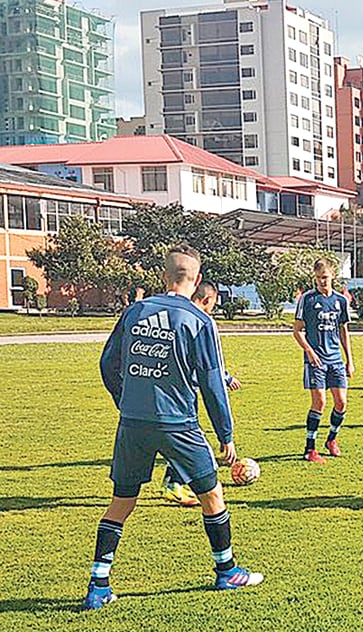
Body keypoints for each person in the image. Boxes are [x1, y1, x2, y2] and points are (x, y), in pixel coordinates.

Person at [84, 246, 262, 611]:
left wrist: (126, 400)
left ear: (164, 277)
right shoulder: (198, 320)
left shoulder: (134, 312)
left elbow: (107, 363)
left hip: (133, 422)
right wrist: (226, 435)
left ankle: (98, 585)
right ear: (196, 280)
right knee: (211, 495)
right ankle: (226, 571)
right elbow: (213, 383)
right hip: (178, 422)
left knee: (121, 503)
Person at [161, 282, 242, 507]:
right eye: (213, 304)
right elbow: (209, 366)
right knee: (191, 445)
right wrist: (226, 435)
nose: (212, 309)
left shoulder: (173, 315)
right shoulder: (200, 321)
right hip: (182, 397)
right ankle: (173, 485)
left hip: (165, 394)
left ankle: (172, 482)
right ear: (207, 300)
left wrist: (226, 378)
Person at [294, 258, 355, 461]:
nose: (322, 282)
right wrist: (309, 352)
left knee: (341, 402)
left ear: (333, 277)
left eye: (325, 278)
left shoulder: (340, 301)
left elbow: (343, 329)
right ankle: (309, 448)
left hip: (335, 360)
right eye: (319, 278)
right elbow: (297, 331)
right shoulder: (308, 300)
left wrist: (349, 360)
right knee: (319, 401)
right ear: (315, 278)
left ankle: (331, 439)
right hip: (316, 361)